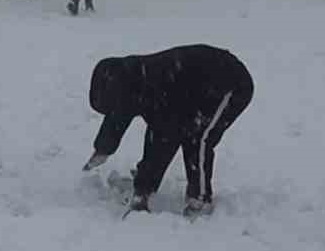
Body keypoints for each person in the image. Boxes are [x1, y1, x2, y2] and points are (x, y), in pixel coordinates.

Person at [82, 44, 254, 217]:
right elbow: (117, 118)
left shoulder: (155, 87)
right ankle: (158, 184)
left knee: (197, 138)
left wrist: (143, 191)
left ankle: (200, 199)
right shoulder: (128, 82)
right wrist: (102, 149)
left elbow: (162, 140)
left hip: (230, 83)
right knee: (181, 131)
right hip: (195, 88)